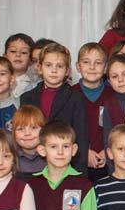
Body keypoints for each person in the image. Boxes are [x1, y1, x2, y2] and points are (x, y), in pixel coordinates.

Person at [20, 43, 89, 174]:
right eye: (48, 65)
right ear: (39, 68)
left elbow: (81, 137)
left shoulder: (76, 98)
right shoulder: (27, 98)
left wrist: (80, 174)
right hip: (32, 164)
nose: (54, 70)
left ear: (67, 71)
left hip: (64, 164)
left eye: (59, 66)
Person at [71, 43, 112, 182]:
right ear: (78, 66)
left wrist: (108, 150)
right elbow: (65, 130)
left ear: (105, 68)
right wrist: (83, 153)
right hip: (77, 162)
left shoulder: (112, 95)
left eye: (98, 63)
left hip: (108, 160)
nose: (92, 67)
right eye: (86, 62)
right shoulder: (69, 95)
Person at [101, 53, 125, 164]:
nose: (120, 80)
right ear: (109, 81)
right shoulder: (109, 104)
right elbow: (107, 139)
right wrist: (111, 167)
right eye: (114, 76)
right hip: (118, 164)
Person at [12, 105, 46, 180]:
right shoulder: (9, 158)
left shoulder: (52, 156)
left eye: (34, 127)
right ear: (14, 133)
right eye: (20, 129)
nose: (27, 133)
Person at [5, 33, 36, 97]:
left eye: (24, 52)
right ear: (5, 56)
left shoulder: (33, 86)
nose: (18, 55)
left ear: (31, 60)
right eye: (13, 51)